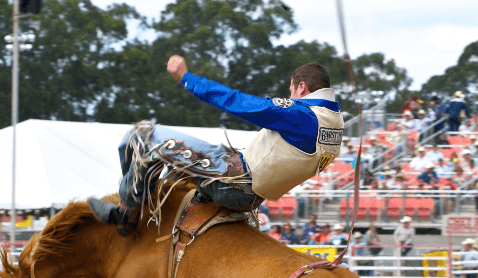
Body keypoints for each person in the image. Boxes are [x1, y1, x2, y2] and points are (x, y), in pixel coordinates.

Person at [90, 56, 344, 230]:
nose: (290, 96)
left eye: (291, 90)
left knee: (143, 134)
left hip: (234, 183)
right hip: (254, 196)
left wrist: (187, 78)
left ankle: (126, 210)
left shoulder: (302, 116)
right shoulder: (335, 124)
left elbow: (239, 102)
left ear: (301, 87)